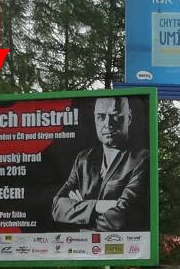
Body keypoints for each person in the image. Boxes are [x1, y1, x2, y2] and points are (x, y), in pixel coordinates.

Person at [51, 97, 149, 231]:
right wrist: (98, 206)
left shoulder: (142, 160)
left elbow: (121, 219)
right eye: (101, 117)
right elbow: (57, 207)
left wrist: (79, 211)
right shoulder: (84, 159)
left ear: (129, 117)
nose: (108, 124)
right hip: (82, 248)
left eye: (115, 116)